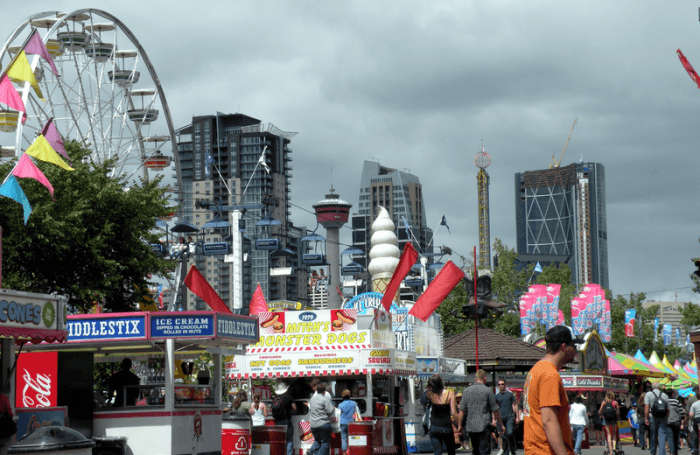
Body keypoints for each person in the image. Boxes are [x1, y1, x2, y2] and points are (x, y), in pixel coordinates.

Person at [522, 325, 580, 455]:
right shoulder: (549, 375)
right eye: (574, 347)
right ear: (564, 347)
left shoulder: (536, 370)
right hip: (546, 450)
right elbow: (548, 420)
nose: (575, 351)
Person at [457, 369, 500, 455]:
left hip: (471, 426)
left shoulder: (466, 391)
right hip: (484, 425)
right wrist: (500, 424)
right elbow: (495, 409)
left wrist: (459, 425)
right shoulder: (488, 390)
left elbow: (461, 410)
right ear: (484, 378)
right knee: (484, 450)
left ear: (475, 378)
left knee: (475, 450)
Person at [421, 375, 458, 455]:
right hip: (446, 427)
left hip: (434, 427)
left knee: (437, 452)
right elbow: (453, 413)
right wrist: (458, 424)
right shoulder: (450, 393)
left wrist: (428, 388)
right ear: (441, 383)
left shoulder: (429, 394)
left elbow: (422, 402)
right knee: (451, 451)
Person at [309, 382, 336, 455]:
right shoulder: (324, 399)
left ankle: (311, 451)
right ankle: (312, 452)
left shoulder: (312, 399)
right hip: (323, 424)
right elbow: (330, 410)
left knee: (317, 441)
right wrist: (333, 408)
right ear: (324, 391)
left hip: (313, 425)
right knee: (325, 443)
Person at [645, 381, 671, 455]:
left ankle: (653, 452)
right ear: (659, 387)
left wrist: (646, 418)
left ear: (652, 387)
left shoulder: (648, 394)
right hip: (663, 417)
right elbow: (668, 409)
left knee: (653, 435)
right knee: (662, 436)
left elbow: (647, 407)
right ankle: (662, 453)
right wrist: (666, 418)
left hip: (653, 417)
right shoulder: (665, 395)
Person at [272, 382, 296, 455]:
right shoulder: (288, 397)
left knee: (280, 439)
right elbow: (294, 408)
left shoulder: (275, 398)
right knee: (289, 440)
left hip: (277, 422)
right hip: (286, 421)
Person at [495, 379, 518, 455]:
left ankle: (512, 448)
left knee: (510, 432)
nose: (501, 385)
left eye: (502, 384)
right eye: (499, 384)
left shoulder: (510, 394)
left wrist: (517, 416)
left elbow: (515, 405)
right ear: (498, 386)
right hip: (501, 418)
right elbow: (495, 408)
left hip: (509, 417)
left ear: (505, 385)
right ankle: (506, 452)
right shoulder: (496, 396)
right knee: (502, 435)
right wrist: (494, 418)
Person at [338, 389, 360, 453]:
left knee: (343, 438)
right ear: (350, 395)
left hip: (342, 423)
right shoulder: (354, 403)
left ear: (343, 396)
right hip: (351, 423)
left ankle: (344, 452)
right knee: (352, 437)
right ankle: (352, 451)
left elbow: (339, 414)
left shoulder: (340, 405)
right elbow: (357, 413)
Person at [599, 391, 619, 455]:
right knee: (614, 434)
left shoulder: (604, 402)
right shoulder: (615, 402)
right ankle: (614, 447)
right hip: (613, 419)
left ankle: (610, 452)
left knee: (608, 435)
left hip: (606, 419)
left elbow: (600, 411)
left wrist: (601, 414)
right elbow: (618, 412)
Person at [667, 389, 684, 455]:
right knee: (676, 437)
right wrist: (682, 421)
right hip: (676, 422)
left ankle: (671, 452)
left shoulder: (665, 401)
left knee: (670, 437)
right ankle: (675, 452)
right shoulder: (676, 401)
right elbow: (681, 412)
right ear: (672, 394)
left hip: (668, 422)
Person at [688, 389, 700, 455]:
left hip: (697, 420)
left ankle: (696, 450)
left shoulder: (694, 404)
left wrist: (691, 419)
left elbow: (691, 415)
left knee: (696, 435)